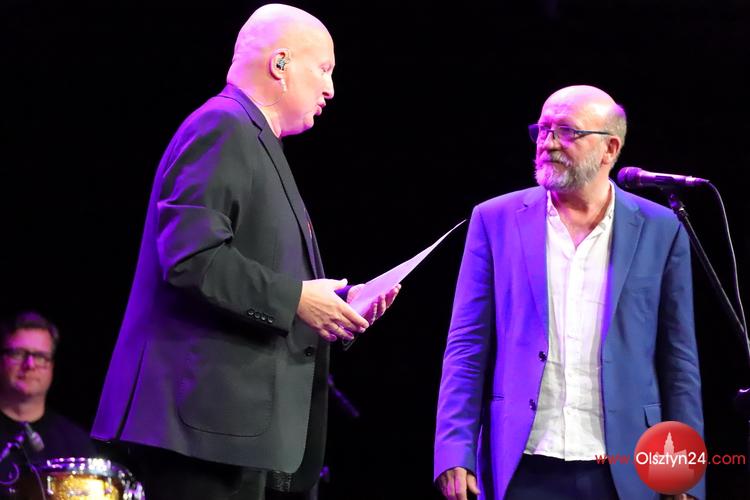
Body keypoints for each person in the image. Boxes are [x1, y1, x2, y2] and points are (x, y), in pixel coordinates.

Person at [91, 4, 398, 500]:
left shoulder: (254, 140)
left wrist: (336, 307)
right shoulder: (222, 125)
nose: (330, 89)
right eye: (324, 69)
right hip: (199, 431)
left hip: (231, 435)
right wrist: (296, 299)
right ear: (280, 63)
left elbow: (258, 269)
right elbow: (191, 258)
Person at [434, 85, 703, 500]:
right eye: (543, 130)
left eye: (567, 132)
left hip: (625, 467)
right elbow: (466, 346)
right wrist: (455, 448)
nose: (548, 143)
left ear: (610, 149)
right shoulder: (494, 219)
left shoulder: (662, 228)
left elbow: (679, 359)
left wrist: (682, 470)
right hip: (520, 464)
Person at [0, 312, 96, 473]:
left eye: (40, 356)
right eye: (18, 354)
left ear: (52, 366)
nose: (30, 365)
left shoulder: (76, 445)